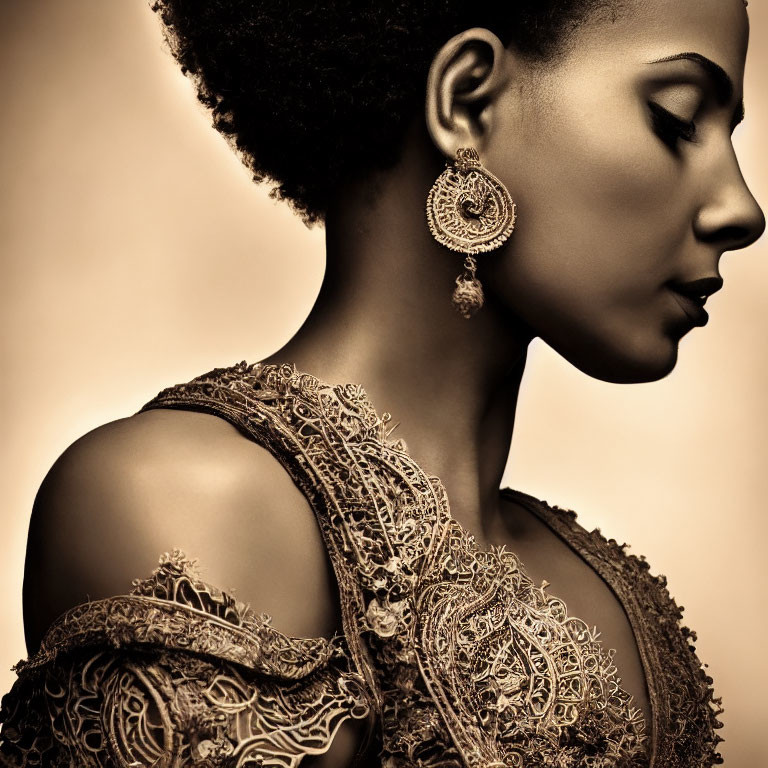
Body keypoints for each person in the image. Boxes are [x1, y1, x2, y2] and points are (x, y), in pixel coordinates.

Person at [1, 0, 764, 766]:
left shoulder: (622, 602)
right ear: (468, 106)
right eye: (676, 118)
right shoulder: (178, 503)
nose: (743, 208)